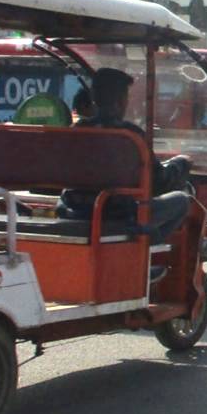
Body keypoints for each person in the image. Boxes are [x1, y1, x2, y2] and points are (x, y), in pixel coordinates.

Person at [57, 68, 192, 272]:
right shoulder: (130, 137)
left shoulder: (75, 132)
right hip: (116, 213)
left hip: (74, 209)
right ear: (121, 100)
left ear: (94, 97)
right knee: (182, 200)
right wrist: (180, 164)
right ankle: (143, 255)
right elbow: (158, 182)